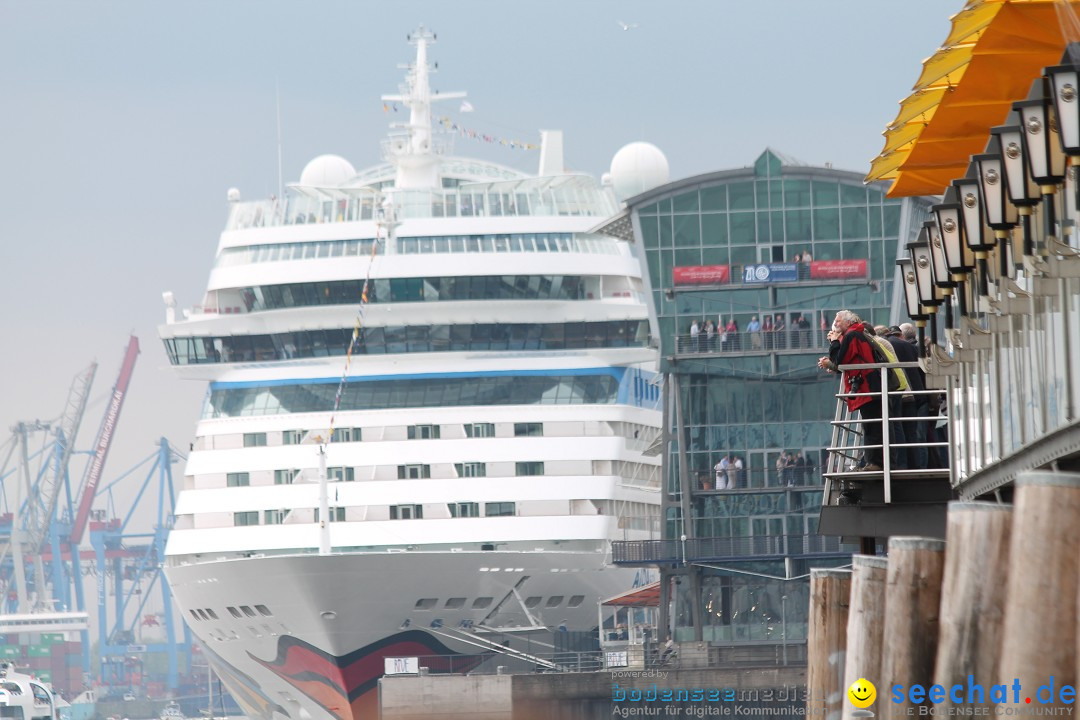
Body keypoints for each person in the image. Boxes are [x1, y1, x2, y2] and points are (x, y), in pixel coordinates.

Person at [817, 310, 884, 471]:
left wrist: (834, 342)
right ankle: (873, 462)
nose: (835, 323)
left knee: (871, 426)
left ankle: (875, 463)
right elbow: (847, 359)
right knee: (871, 425)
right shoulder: (854, 334)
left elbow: (839, 360)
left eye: (838, 321)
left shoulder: (852, 335)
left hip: (867, 387)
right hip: (869, 385)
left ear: (847, 322)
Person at [886, 325, 927, 469]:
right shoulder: (910, 347)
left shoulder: (888, 345)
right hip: (915, 393)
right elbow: (922, 371)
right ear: (901, 335)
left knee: (897, 430)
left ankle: (902, 465)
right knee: (914, 434)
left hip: (895, 393)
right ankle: (917, 466)